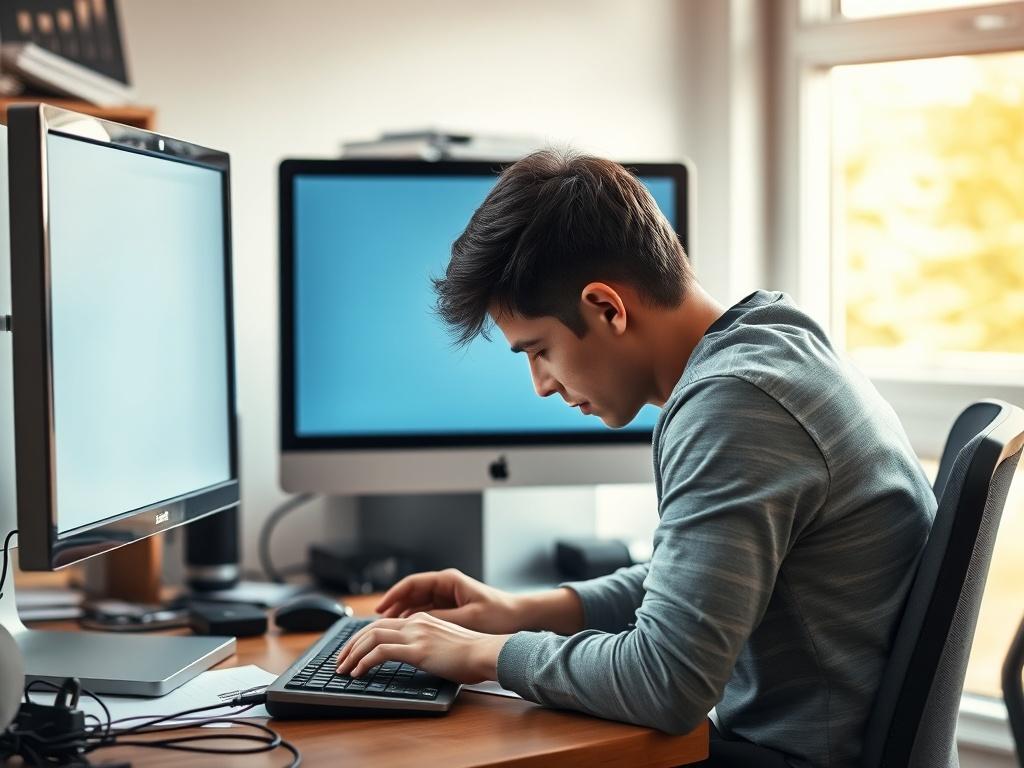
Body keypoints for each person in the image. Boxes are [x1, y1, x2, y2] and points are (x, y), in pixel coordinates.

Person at [335, 149, 936, 767]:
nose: (540, 384)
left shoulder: (734, 406)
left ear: (606, 307)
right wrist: (524, 610)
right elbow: (694, 581)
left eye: (537, 350)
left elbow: (666, 682)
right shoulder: (772, 340)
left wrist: (481, 653)